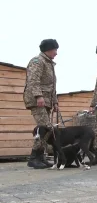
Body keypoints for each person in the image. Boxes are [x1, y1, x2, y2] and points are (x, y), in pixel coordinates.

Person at [24, 39, 59, 169]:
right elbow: (33, 80)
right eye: (55, 50)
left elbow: (51, 86)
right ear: (48, 50)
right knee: (45, 127)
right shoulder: (37, 61)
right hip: (37, 100)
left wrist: (55, 101)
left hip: (47, 100)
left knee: (47, 129)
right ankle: (34, 158)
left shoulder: (49, 64)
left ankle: (40, 156)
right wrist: (38, 96)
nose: (56, 53)